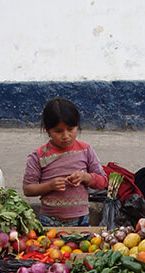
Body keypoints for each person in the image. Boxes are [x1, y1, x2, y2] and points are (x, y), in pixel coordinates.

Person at [23, 97, 108, 226]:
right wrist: (50, 186)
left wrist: (85, 177)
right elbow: (28, 189)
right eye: (58, 131)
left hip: (81, 221)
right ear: (48, 131)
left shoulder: (85, 150)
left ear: (77, 126)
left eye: (70, 129)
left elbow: (103, 181)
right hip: (49, 222)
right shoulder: (38, 155)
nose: (66, 136)